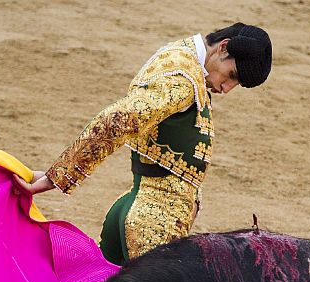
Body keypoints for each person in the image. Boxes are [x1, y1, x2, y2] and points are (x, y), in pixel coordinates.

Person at [14, 22, 272, 265]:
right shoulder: (183, 80)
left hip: (137, 207)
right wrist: (59, 176)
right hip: (153, 223)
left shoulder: (180, 57)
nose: (226, 88)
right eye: (231, 76)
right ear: (223, 47)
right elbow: (117, 121)